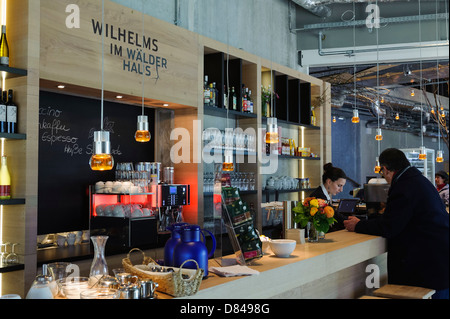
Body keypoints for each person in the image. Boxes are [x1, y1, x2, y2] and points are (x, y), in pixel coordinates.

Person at [344, 148, 449, 299]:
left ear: (385, 169)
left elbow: (389, 227)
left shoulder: (403, 186)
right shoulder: (417, 180)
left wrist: (358, 225)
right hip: (438, 260)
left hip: (426, 266)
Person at [309, 163, 347, 231]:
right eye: (339, 186)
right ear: (329, 182)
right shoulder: (319, 197)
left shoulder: (323, 195)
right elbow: (336, 217)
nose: (341, 190)